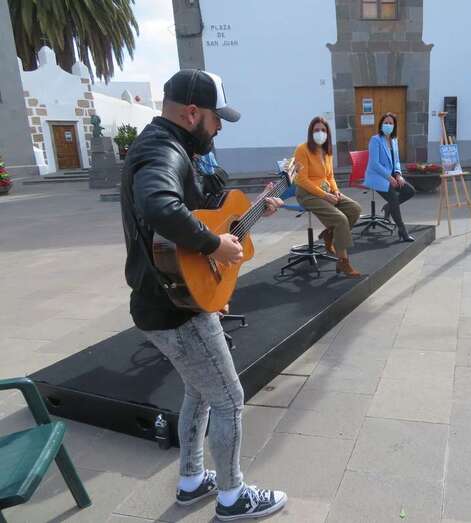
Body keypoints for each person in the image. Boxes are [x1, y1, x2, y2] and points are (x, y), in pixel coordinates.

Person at [120, 69, 287, 521]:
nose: (219, 129)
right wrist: (213, 246)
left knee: (199, 391)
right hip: (175, 309)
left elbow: (205, 215)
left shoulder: (174, 146)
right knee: (229, 398)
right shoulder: (162, 150)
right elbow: (159, 205)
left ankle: (192, 479)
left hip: (175, 299)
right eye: (216, 119)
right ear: (192, 113)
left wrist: (251, 215)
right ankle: (233, 497)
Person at [293, 116, 363, 277]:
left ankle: (330, 233)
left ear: (328, 133)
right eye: (316, 130)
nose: (320, 133)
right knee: (340, 220)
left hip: (327, 191)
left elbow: (330, 176)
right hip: (307, 194)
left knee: (355, 209)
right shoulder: (302, 149)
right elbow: (301, 179)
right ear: (311, 132)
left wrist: (335, 191)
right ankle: (343, 261)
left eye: (323, 130)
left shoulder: (327, 150)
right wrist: (325, 195)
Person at [363, 112, 416, 242]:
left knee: (410, 191)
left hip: (391, 176)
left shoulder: (394, 140)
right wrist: (389, 178)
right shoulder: (375, 140)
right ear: (381, 125)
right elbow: (374, 164)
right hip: (377, 176)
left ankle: (388, 207)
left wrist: (398, 174)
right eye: (385, 123)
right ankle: (402, 230)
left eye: (390, 123)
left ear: (394, 126)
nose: (388, 125)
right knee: (393, 198)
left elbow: (396, 161)